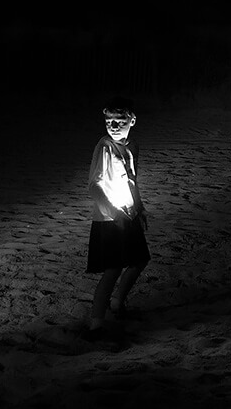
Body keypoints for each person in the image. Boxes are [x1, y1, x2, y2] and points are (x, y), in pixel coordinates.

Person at [84, 96, 150, 338]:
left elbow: (132, 180)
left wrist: (139, 207)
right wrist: (114, 212)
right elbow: (94, 186)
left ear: (132, 120)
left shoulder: (132, 146)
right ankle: (96, 325)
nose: (113, 125)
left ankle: (117, 303)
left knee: (139, 260)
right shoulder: (104, 147)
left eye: (119, 120)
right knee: (112, 270)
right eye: (109, 120)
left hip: (128, 214)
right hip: (109, 219)